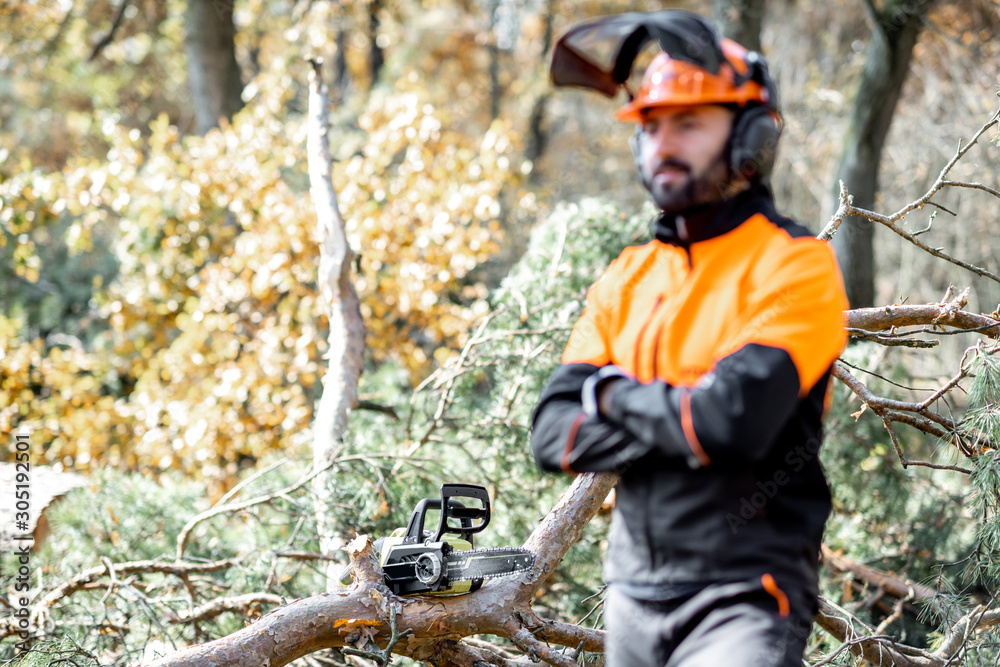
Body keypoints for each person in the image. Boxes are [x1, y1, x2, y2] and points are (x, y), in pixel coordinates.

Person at [531, 10, 849, 667]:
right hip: (632, 596)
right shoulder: (628, 275)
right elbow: (551, 430)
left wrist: (609, 392)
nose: (663, 144)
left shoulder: (794, 265)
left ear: (751, 138)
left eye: (689, 123)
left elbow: (729, 422)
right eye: (651, 127)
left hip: (747, 594)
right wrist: (678, 419)